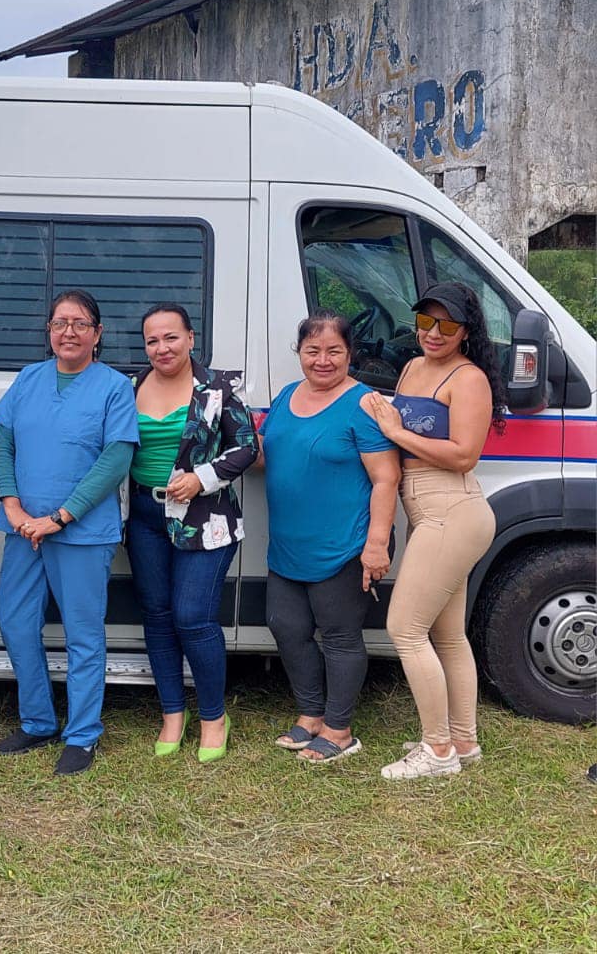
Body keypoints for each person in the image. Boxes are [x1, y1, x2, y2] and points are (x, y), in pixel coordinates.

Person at [360, 282, 503, 779]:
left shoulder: (469, 379)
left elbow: (465, 454)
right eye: (425, 321)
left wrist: (396, 431)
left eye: (447, 324)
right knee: (446, 633)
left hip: (452, 510)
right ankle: (463, 740)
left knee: (405, 628)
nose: (433, 333)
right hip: (427, 511)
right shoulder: (412, 368)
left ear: (467, 330)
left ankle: (437, 751)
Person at [0, 289, 139, 776]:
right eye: (59, 323)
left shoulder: (114, 387)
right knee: (16, 624)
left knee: (83, 635)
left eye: (80, 324)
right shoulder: (29, 379)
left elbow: (115, 461)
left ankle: (82, 735)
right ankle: (38, 722)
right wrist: (13, 506)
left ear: (98, 334)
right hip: (23, 529)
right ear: (49, 331)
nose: (68, 332)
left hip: (81, 532)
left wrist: (60, 517)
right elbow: (4, 446)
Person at [259, 309, 399, 765]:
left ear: (350, 353)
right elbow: (266, 453)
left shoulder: (364, 404)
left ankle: (339, 730)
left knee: (339, 635)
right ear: (299, 352)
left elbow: (386, 479)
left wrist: (376, 545)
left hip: (345, 545)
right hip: (289, 544)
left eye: (334, 351)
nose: (323, 360)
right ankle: (311, 714)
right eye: (312, 350)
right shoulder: (286, 396)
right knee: (286, 627)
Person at [125, 304, 258, 763]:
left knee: (192, 617)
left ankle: (214, 718)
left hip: (206, 515)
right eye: (152, 340)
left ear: (191, 338)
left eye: (171, 338)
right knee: (158, 615)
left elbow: (247, 446)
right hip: (145, 515)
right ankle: (171, 714)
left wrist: (202, 478)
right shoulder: (130, 387)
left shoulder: (218, 387)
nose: (162, 348)